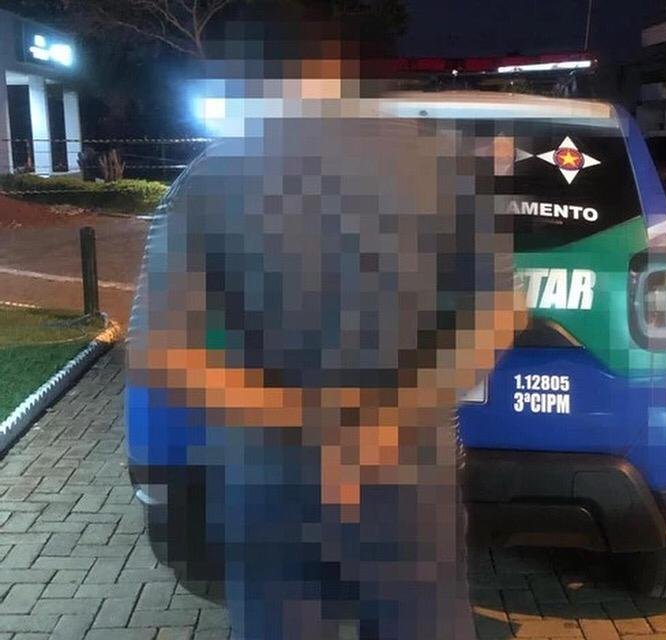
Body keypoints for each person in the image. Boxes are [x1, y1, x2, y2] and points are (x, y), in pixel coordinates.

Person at [130, 7, 524, 638]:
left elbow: (159, 351)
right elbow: (498, 315)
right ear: (339, 64)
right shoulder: (444, 164)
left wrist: (308, 425)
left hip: (270, 484)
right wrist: (383, 423)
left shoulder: (208, 180)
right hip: (407, 478)